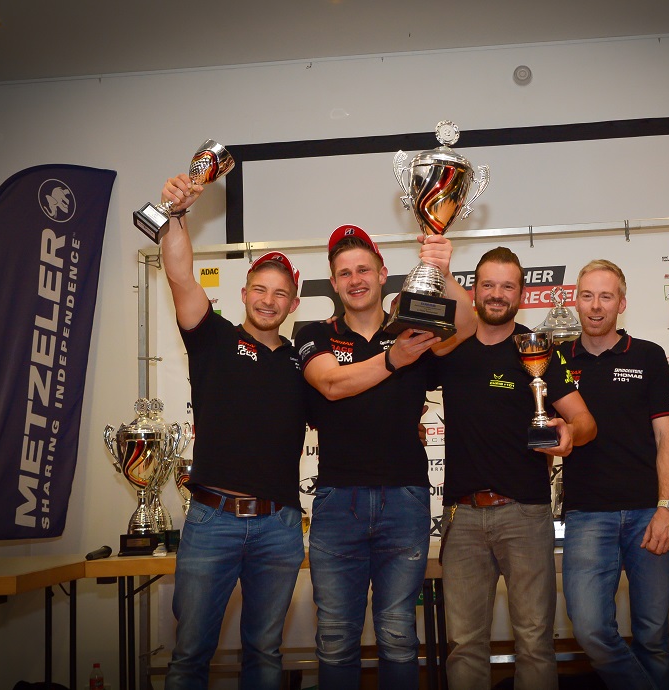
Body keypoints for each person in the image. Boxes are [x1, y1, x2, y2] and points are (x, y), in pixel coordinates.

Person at [294, 225, 475, 689]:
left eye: (364, 270)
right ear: (333, 283)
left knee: (398, 636)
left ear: (382, 274)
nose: (355, 280)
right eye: (344, 273)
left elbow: (468, 325)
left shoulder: (413, 327)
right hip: (338, 502)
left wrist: (442, 270)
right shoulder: (314, 334)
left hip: (404, 499)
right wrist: (395, 358)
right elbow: (331, 384)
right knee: (336, 638)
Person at [156, 174, 308, 689]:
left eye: (280, 294)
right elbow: (180, 276)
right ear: (243, 294)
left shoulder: (304, 363)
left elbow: (346, 405)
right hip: (212, 520)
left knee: (264, 654)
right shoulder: (213, 337)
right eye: (260, 290)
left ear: (294, 305)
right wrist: (178, 214)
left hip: (279, 527)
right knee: (189, 656)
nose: (268, 300)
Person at [436, 247, 597, 690]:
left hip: (525, 514)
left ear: (521, 295)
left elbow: (585, 421)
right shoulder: (450, 348)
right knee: (464, 644)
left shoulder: (537, 348)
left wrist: (569, 433)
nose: (497, 294)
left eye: (507, 286)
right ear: (473, 291)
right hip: (462, 517)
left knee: (534, 642)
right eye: (488, 285)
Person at [557, 259, 669, 690]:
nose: (596, 306)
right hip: (587, 513)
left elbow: (668, 437)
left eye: (606, 297)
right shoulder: (555, 360)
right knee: (590, 628)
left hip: (649, 513)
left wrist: (668, 508)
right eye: (587, 296)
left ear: (621, 304)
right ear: (575, 301)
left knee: (653, 636)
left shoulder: (648, 355)